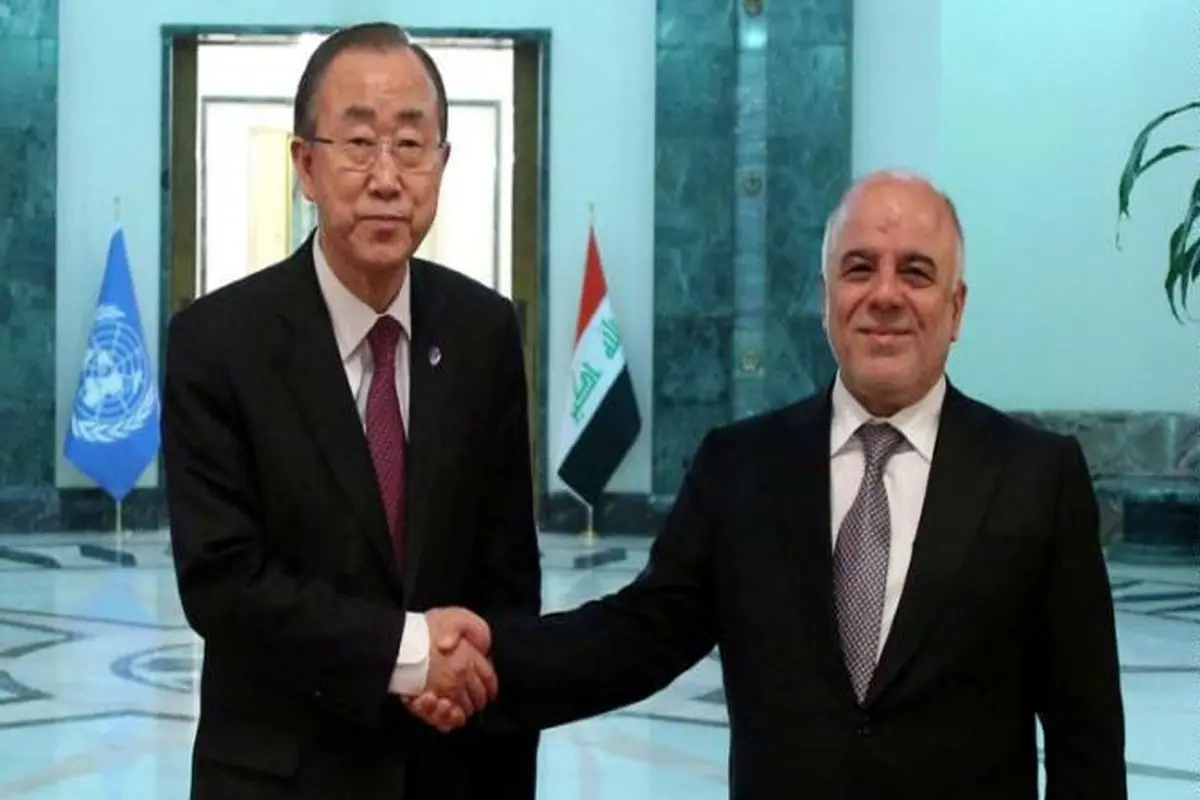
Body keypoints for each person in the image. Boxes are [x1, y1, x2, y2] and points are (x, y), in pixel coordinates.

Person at [414, 171, 1128, 798]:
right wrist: (480, 660)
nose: (884, 295)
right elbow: (638, 635)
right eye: (859, 268)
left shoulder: (1038, 479)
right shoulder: (741, 468)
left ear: (957, 306)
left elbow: (1085, 736)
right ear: (826, 297)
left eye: (915, 272)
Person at [161, 22, 540, 800]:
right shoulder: (217, 343)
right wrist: (410, 653)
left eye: (411, 145)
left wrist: (469, 677)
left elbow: (508, 574)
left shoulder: (485, 332)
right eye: (359, 144)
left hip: (452, 768)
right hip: (284, 774)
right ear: (305, 164)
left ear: (442, 164)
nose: (387, 178)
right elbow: (224, 585)